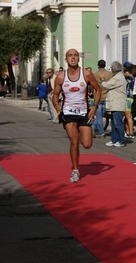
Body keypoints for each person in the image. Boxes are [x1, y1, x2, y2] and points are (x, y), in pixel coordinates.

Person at [52, 48, 103, 183]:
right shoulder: (61, 76)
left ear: (78, 58)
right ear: (66, 59)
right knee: (74, 142)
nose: (73, 58)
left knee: (86, 144)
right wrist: (56, 105)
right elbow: (55, 95)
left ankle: (81, 131)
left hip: (84, 112)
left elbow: (98, 89)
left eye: (75, 55)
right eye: (70, 56)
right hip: (68, 112)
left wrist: (95, 106)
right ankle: (75, 170)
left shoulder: (86, 74)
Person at [99, 61, 127, 147]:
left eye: (111, 68)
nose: (111, 70)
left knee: (118, 123)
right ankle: (114, 139)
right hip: (114, 103)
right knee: (114, 123)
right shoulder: (117, 76)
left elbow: (107, 85)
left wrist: (102, 80)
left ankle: (120, 140)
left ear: (114, 69)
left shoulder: (118, 78)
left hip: (118, 104)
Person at [93, 60, 112, 138]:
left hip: (98, 96)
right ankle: (93, 127)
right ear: (105, 65)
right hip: (107, 96)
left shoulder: (95, 75)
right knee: (106, 114)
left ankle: (101, 132)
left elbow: (92, 85)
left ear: (98, 65)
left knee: (99, 116)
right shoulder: (109, 74)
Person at [124, 65, 135, 139]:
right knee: (126, 116)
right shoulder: (129, 78)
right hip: (127, 98)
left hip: (128, 98)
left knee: (128, 116)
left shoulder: (130, 79)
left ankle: (131, 132)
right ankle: (127, 131)